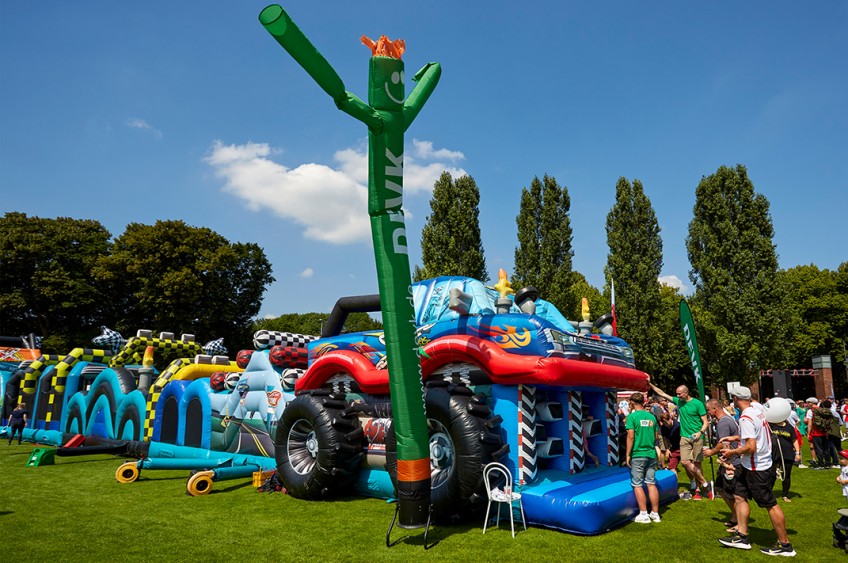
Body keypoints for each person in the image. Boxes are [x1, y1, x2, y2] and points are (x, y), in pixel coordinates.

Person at [717, 386, 796, 557]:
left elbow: (751, 447)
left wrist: (732, 451)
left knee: (770, 504)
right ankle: (742, 537)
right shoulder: (757, 411)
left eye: (733, 398)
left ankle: (785, 545)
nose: (732, 401)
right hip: (753, 466)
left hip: (756, 468)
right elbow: (757, 435)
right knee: (739, 495)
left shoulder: (745, 418)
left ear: (737, 399)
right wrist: (735, 438)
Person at [650, 382, 712, 500]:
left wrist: (700, 433)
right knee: (685, 462)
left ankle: (698, 490)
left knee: (697, 464)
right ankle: (705, 484)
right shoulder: (679, 402)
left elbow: (705, 422)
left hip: (697, 437)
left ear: (686, 393)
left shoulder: (697, 404)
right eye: (676, 394)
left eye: (679, 394)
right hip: (684, 437)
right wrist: (651, 384)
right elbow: (662, 393)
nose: (677, 396)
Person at [704, 399, 741, 531]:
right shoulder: (727, 419)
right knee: (720, 488)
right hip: (729, 460)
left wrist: (711, 452)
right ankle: (735, 516)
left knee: (733, 493)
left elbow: (723, 443)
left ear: (715, 409)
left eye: (708, 410)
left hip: (730, 461)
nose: (708, 413)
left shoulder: (723, 423)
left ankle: (740, 522)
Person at [625, 392, 661, 523]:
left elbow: (630, 436)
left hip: (638, 453)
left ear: (633, 403)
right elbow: (656, 436)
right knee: (651, 483)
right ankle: (655, 513)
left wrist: (628, 454)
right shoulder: (651, 417)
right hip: (650, 453)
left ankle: (643, 513)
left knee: (637, 484)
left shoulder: (632, 417)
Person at [769, 417, 801, 502]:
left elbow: (794, 440)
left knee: (786, 475)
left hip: (787, 453)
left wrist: (797, 453)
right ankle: (768, 493)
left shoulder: (789, 427)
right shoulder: (771, 426)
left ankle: (785, 495)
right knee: (772, 474)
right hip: (774, 454)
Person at [812, 400, 840, 468]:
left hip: (817, 433)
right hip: (826, 432)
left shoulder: (816, 412)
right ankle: (828, 464)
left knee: (819, 449)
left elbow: (812, 423)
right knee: (826, 449)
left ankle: (821, 464)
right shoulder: (829, 413)